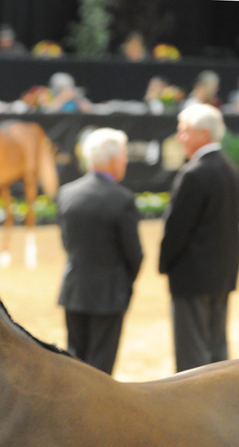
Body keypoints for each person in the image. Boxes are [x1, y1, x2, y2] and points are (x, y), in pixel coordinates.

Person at [159, 105, 239, 373]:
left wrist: (164, 264)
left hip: (192, 278)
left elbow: (176, 230)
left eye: (184, 131)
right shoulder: (232, 169)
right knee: (217, 349)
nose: (180, 137)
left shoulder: (194, 173)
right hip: (222, 275)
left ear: (204, 133)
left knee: (192, 358)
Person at [56, 129, 142, 375]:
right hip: (109, 292)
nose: (125, 161)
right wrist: (124, 282)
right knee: (101, 369)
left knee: (76, 363)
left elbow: (66, 242)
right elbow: (134, 254)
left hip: (74, 290)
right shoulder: (121, 198)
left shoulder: (67, 193)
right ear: (114, 160)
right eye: (124, 156)